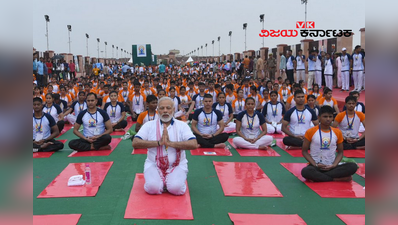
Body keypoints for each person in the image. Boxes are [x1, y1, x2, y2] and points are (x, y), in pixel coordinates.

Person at [132, 97, 197, 195]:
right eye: (162, 108)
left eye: (168, 108)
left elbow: (194, 144)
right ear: (157, 110)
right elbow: (135, 142)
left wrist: (171, 143)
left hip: (177, 165)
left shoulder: (182, 125)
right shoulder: (149, 125)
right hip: (154, 164)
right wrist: (158, 143)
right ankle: (161, 181)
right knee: (152, 188)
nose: (165, 111)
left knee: (176, 189)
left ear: (173, 109)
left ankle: (170, 180)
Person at [301, 105, 358, 182]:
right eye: (325, 116)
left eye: (330, 117)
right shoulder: (310, 131)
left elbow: (340, 152)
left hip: (332, 166)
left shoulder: (337, 132)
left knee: (353, 166)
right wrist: (315, 164)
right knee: (306, 172)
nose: (328, 119)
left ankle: (321, 178)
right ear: (319, 117)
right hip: (316, 166)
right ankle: (334, 179)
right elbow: (304, 151)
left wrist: (334, 165)